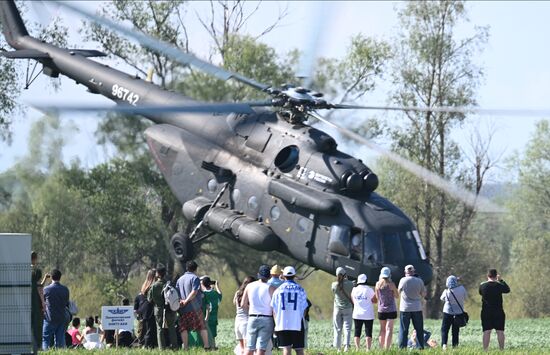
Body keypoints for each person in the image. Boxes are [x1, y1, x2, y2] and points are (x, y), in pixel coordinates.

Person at [271, 266, 308, 355]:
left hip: (283, 323)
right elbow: (304, 308)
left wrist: (276, 323)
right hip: (297, 323)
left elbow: (274, 309)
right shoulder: (301, 289)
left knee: (286, 349)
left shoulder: (278, 290)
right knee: (299, 350)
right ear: (294, 275)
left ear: (283, 276)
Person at [241, 264, 276, 355]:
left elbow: (243, 304)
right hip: (266, 318)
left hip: (252, 317)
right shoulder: (271, 288)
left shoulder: (249, 286)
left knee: (249, 348)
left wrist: (251, 310)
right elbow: (274, 308)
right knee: (261, 349)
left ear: (258, 274)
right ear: (269, 276)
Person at [176, 260, 209, 350]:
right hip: (195, 308)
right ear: (195, 269)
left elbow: (177, 294)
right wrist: (186, 301)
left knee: (183, 328)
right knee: (202, 327)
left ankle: (186, 348)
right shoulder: (195, 278)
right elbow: (194, 292)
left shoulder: (180, 279)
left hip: (182, 309)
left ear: (187, 268)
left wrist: (181, 302)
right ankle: (206, 347)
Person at [479, 269, 510, 351]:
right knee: (500, 331)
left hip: (486, 312)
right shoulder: (499, 285)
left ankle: (485, 350)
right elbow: (507, 290)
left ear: (487, 276)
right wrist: (501, 280)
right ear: (496, 276)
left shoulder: (482, 286)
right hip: (498, 311)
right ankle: (501, 350)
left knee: (486, 331)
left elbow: (480, 292)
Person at [149, 263, 177, 349]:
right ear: (164, 273)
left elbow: (149, 299)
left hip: (158, 309)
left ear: (157, 274)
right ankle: (175, 346)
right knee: (171, 328)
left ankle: (162, 348)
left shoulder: (154, 286)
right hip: (169, 309)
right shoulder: (169, 284)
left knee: (159, 328)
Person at [398, 264, 426, 349]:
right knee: (419, 329)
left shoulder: (403, 280)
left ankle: (402, 348)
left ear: (405, 272)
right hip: (417, 307)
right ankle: (420, 347)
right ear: (414, 271)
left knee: (404, 329)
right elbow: (423, 294)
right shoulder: (419, 281)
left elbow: (399, 291)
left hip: (405, 308)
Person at [42, 269, 70, 350]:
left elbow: (42, 300)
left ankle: (46, 352)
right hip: (62, 317)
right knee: (60, 339)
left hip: (49, 317)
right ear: (60, 277)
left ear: (51, 277)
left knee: (46, 339)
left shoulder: (46, 289)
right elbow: (66, 303)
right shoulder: (65, 289)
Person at [440, 275, 467, 349]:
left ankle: (444, 345)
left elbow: (442, 298)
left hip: (447, 312)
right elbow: (465, 297)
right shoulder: (462, 289)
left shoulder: (446, 291)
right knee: (455, 330)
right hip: (458, 313)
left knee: (445, 329)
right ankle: (455, 346)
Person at [350, 274, 376, 351]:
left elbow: (353, 300)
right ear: (366, 280)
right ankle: (368, 349)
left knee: (357, 331)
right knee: (368, 332)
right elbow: (374, 300)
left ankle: (357, 349)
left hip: (357, 314)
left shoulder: (354, 289)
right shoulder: (370, 290)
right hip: (368, 314)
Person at [375, 266, 398, 349]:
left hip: (381, 309)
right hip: (391, 309)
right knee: (389, 329)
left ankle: (381, 348)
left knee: (382, 330)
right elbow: (397, 296)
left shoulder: (377, 284)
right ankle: (387, 349)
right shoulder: (391, 284)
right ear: (389, 275)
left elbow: (377, 297)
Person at [331, 266, 353, 351]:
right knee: (347, 328)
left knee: (338, 328)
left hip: (337, 309)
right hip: (348, 308)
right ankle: (346, 347)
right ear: (345, 274)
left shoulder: (334, 285)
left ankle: (338, 349)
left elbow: (334, 290)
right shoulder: (350, 284)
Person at [31, 251, 49, 349]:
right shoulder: (36, 271)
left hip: (26, 298)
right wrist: (43, 302)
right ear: (35, 258)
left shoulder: (24, 269)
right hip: (35, 300)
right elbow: (39, 288)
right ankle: (37, 346)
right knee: (37, 324)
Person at [234, 276, 256, 355]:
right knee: (248, 349)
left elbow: (234, 303)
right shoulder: (249, 294)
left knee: (242, 349)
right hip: (246, 322)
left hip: (237, 322)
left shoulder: (237, 293)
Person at [201, 276, 223, 349]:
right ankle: (213, 346)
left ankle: (207, 346)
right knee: (212, 335)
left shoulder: (203, 294)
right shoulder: (214, 293)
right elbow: (220, 294)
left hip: (205, 317)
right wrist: (217, 286)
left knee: (205, 333)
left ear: (203, 284)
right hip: (213, 318)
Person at [139, 268, 157, 348]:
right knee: (150, 328)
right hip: (150, 309)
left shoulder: (145, 285)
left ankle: (147, 344)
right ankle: (147, 345)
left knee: (146, 328)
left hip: (144, 309)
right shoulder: (152, 286)